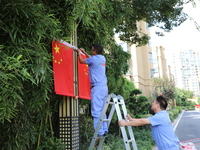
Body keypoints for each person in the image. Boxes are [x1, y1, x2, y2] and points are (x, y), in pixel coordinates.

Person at [77, 44, 108, 138]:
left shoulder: (94, 59)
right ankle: (104, 130)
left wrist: (79, 52)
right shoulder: (102, 58)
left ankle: (99, 132)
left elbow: (82, 61)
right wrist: (84, 52)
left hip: (97, 88)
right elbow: (91, 58)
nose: (91, 51)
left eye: (92, 50)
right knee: (103, 110)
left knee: (96, 111)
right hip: (104, 88)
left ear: (94, 51)